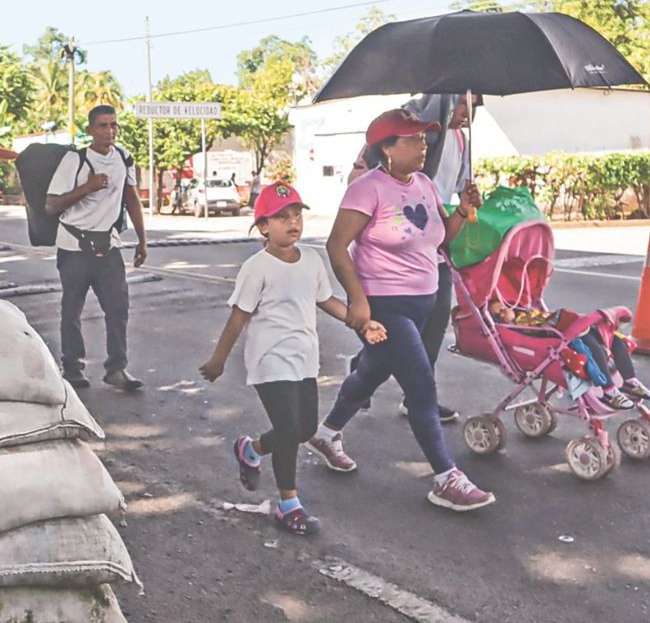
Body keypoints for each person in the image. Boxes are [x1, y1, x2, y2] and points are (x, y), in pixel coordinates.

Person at [308, 109, 496, 512]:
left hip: (423, 301)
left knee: (369, 374)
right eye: (413, 139)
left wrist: (462, 210)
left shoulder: (425, 185)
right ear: (387, 148)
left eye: (425, 137)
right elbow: (336, 246)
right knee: (421, 385)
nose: (424, 144)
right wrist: (358, 300)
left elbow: (442, 239)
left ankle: (326, 433)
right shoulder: (367, 189)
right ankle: (447, 478)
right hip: (384, 305)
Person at [199, 183, 386, 536]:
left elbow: (325, 299)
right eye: (281, 217)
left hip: (304, 357)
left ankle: (250, 449)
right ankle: (289, 505)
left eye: (296, 215)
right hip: (269, 359)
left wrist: (361, 323)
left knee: (302, 430)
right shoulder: (257, 267)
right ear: (263, 226)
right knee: (287, 430)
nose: (292, 222)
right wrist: (218, 360)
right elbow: (239, 316)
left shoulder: (311, 261)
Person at [347, 93, 483, 423]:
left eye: (475, 106)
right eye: (464, 103)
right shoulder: (409, 132)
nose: (468, 112)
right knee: (396, 332)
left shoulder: (461, 141)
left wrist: (466, 207)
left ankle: (415, 395)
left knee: (434, 324)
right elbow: (359, 176)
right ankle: (364, 377)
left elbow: (451, 198)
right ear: (447, 101)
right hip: (393, 254)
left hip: (433, 241)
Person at [45, 105, 147, 391]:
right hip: (73, 247)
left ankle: (117, 368)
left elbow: (132, 200)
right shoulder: (74, 160)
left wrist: (142, 239)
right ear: (90, 130)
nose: (109, 131)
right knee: (72, 310)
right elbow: (51, 204)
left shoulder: (124, 158)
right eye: (102, 126)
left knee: (118, 309)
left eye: (114, 125)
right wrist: (86, 188)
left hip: (108, 246)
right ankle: (73, 368)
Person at [487, 299, 650, 406]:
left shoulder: (527, 313)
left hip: (569, 327)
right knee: (592, 346)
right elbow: (537, 332)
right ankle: (608, 391)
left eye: (504, 308)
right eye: (499, 314)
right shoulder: (514, 326)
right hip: (561, 339)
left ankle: (630, 380)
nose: (504, 313)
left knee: (614, 339)